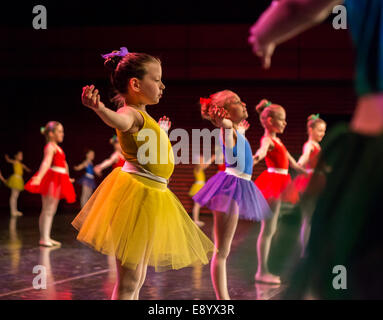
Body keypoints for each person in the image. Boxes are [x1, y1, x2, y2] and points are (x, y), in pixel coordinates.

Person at [249, 0, 383, 298]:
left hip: (369, 151)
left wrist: (264, 35)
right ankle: (267, 267)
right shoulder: (287, 142)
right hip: (291, 176)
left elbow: (300, 7)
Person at [71, 47, 215, 300]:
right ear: (136, 84)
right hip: (137, 196)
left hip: (153, 196)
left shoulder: (146, 116)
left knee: (137, 279)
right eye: (157, 79)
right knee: (129, 282)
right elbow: (120, 122)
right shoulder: (130, 113)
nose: (163, 86)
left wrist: (161, 131)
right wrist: (99, 109)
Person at [193, 90, 272, 299]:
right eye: (237, 101)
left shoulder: (237, 130)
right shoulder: (227, 129)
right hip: (229, 188)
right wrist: (224, 124)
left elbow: (241, 158)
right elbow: (226, 129)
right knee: (222, 251)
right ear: (225, 113)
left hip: (239, 185)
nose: (244, 102)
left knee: (224, 250)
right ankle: (223, 300)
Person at [253, 99, 306, 284]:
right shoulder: (268, 139)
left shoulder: (279, 141)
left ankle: (265, 269)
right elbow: (261, 151)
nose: (285, 123)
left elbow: (294, 164)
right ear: (269, 121)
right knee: (267, 230)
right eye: (281, 119)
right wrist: (256, 158)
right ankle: (262, 272)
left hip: (281, 182)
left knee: (271, 229)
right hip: (273, 184)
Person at [25, 122, 76, 247]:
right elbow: (46, 163)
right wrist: (39, 177)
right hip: (52, 178)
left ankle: (47, 236)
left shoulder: (58, 147)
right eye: (59, 131)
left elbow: (65, 164)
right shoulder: (50, 147)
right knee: (47, 209)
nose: (62, 134)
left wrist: (68, 178)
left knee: (52, 210)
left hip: (60, 178)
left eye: (62, 131)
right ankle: (43, 238)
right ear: (51, 134)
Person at [4, 151, 31, 216]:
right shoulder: (15, 162)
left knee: (16, 196)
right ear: (16, 156)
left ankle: (15, 210)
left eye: (22, 155)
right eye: (20, 155)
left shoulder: (21, 164)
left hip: (19, 180)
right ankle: (13, 211)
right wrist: (7, 157)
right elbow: (8, 160)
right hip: (15, 179)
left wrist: (28, 169)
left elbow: (27, 169)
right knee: (14, 196)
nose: (21, 156)